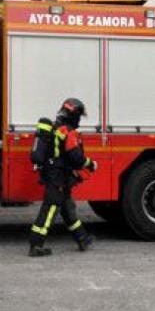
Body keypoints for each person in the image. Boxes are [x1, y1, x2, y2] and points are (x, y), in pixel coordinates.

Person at [27, 98, 97, 257]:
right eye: (79, 116)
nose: (79, 120)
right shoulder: (67, 131)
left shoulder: (55, 127)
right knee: (50, 208)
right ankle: (36, 245)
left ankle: (82, 238)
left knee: (67, 207)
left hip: (55, 174)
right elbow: (76, 157)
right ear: (74, 115)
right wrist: (91, 164)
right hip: (58, 177)